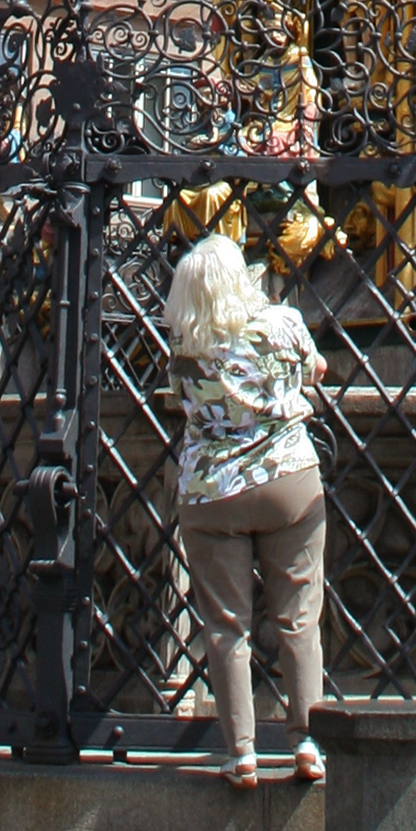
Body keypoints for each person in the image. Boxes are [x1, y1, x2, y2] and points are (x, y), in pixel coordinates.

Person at [164, 234, 327, 792]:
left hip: (214, 492)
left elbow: (180, 400)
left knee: (227, 625)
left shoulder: (187, 344)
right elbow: (316, 369)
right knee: (299, 616)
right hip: (289, 481)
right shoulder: (283, 323)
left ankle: (242, 753)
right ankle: (307, 739)